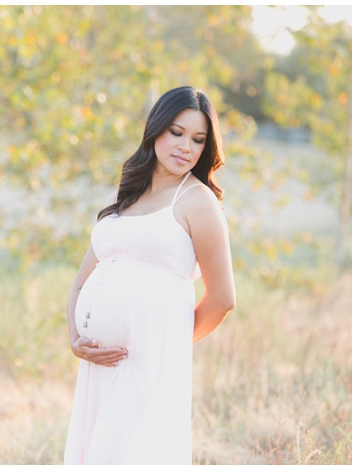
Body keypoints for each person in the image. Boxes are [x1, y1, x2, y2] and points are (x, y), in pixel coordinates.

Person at [63, 85, 236, 464]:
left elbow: (223, 297)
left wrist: (164, 341)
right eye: (176, 132)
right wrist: (76, 337)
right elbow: (81, 280)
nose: (185, 147)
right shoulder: (125, 196)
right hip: (99, 365)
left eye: (197, 139)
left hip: (147, 363)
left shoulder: (197, 201)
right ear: (155, 130)